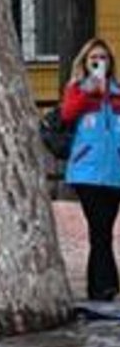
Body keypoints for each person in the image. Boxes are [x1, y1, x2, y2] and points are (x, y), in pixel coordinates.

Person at [59, 37, 120, 301]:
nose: (99, 63)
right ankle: (105, 287)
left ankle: (100, 287)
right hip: (87, 172)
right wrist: (89, 90)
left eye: (103, 58)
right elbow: (67, 114)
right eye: (94, 58)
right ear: (85, 62)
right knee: (99, 228)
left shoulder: (117, 93)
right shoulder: (77, 89)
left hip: (115, 171)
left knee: (104, 231)